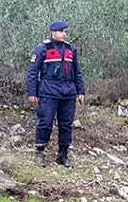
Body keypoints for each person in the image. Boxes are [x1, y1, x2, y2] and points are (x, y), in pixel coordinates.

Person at [26, 19, 85, 168]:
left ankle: (63, 155)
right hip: (48, 92)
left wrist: (80, 91)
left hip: (68, 93)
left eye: (65, 32)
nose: (64, 34)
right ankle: (39, 152)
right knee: (45, 122)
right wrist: (31, 92)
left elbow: (76, 72)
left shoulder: (71, 49)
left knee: (66, 124)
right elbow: (32, 72)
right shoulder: (42, 48)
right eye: (61, 31)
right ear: (53, 32)